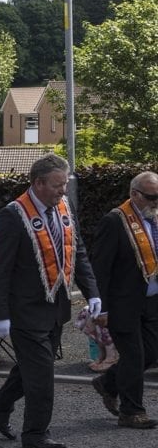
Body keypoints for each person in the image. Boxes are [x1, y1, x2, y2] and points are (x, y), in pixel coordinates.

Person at [0, 153, 100, 448]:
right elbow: (0, 268)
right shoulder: (12, 215)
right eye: (58, 185)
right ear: (38, 183)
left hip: (55, 306)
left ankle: (0, 402)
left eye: (65, 184)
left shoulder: (62, 206)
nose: (64, 190)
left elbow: (79, 251)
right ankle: (35, 434)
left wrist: (94, 293)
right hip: (24, 312)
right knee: (42, 377)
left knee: (32, 368)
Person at [90, 171, 158, 429]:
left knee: (151, 352)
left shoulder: (155, 218)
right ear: (134, 194)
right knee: (133, 356)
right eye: (151, 197)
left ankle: (108, 383)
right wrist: (102, 307)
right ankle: (131, 412)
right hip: (122, 303)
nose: (156, 202)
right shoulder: (114, 221)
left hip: (151, 301)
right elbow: (101, 268)